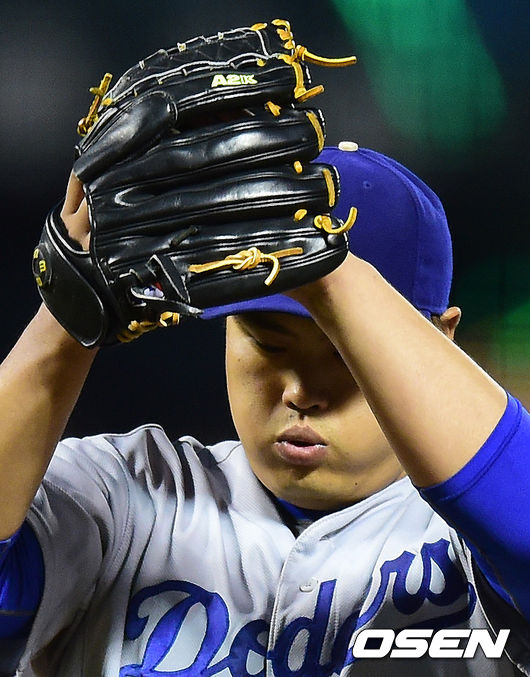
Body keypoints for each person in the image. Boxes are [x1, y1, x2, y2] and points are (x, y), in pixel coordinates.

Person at [0, 143, 528, 676]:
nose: (299, 391)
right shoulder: (129, 493)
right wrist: (64, 323)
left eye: (345, 353)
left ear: (441, 340)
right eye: (269, 344)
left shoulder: (471, 538)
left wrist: (338, 280)